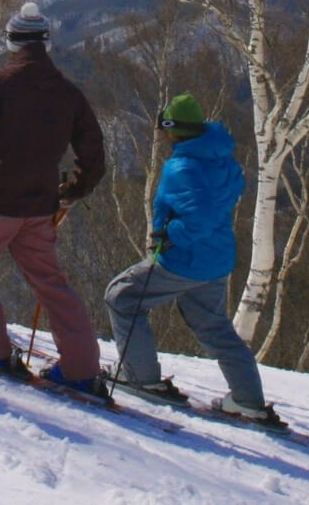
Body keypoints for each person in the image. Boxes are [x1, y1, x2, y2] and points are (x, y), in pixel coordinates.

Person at [0, 1, 107, 393]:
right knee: (51, 283)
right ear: (46, 43)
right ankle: (82, 368)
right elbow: (94, 152)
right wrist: (72, 191)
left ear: (12, 42)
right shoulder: (68, 93)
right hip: (40, 205)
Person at [104, 94, 282, 426]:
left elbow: (198, 217)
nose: (161, 134)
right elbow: (225, 197)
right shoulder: (221, 158)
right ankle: (248, 401)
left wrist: (173, 235)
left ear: (174, 130)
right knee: (214, 328)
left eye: (163, 128)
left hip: (184, 259)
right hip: (216, 260)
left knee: (122, 296)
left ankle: (140, 376)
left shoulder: (182, 167)